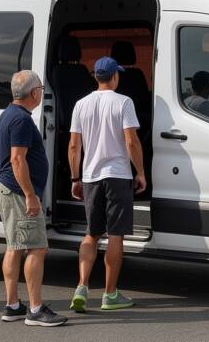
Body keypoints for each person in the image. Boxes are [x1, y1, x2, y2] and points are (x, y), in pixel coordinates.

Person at [68, 57, 146, 313]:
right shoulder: (124, 102)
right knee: (115, 235)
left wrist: (75, 177)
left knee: (91, 234)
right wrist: (141, 172)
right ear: (114, 76)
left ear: (96, 77)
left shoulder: (81, 104)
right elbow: (131, 142)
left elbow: (73, 146)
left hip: (90, 176)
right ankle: (110, 294)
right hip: (117, 175)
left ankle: (81, 286)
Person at [0, 70, 67, 327]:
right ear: (34, 93)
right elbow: (17, 159)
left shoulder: (8, 114)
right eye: (41, 90)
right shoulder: (22, 120)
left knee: (14, 247)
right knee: (36, 248)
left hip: (7, 188)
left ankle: (13, 305)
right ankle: (35, 310)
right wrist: (30, 195)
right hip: (17, 191)